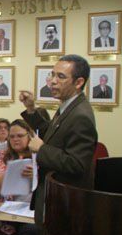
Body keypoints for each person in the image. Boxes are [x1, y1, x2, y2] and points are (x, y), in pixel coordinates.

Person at [20, 54, 98, 226]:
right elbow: (53, 134)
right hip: (54, 196)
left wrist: (41, 150)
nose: (53, 81)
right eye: (52, 74)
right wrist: (32, 109)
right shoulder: (69, 105)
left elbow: (77, 164)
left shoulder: (80, 115)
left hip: (64, 201)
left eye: (60, 76)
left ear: (78, 83)